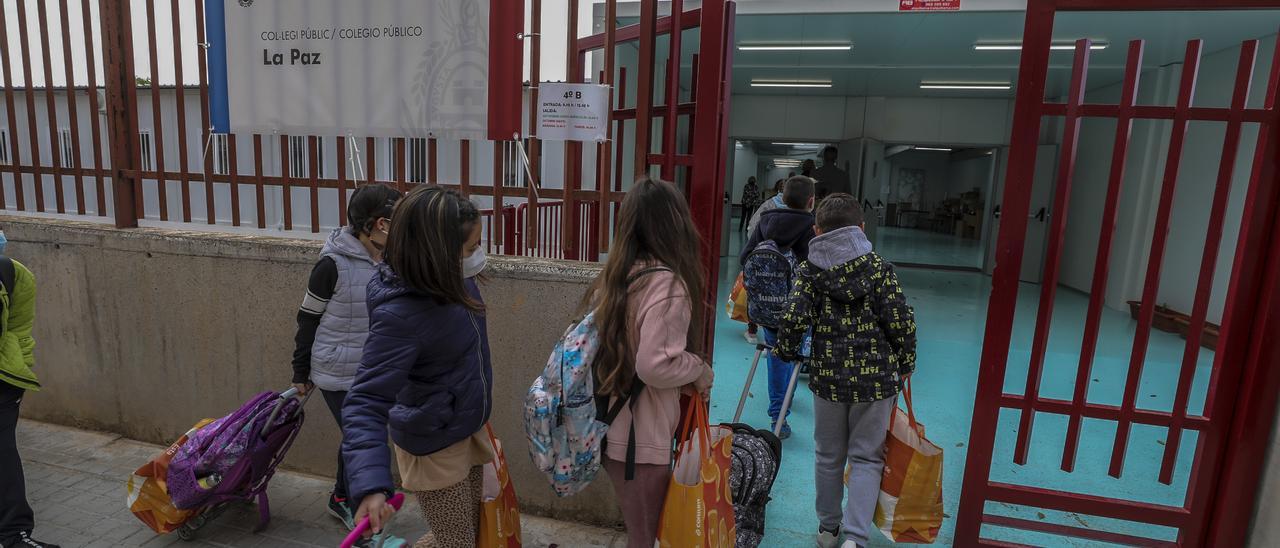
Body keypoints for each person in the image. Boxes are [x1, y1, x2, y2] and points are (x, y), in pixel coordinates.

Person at [343, 186, 495, 548]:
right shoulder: (402, 315)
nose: (477, 256)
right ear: (438, 251)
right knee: (458, 543)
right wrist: (370, 486)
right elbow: (365, 400)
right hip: (432, 444)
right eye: (471, 248)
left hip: (465, 426)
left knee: (465, 534)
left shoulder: (452, 280)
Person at [775, 194, 916, 548]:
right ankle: (856, 538)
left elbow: (793, 318)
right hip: (875, 381)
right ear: (862, 228)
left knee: (828, 455)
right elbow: (901, 321)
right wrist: (905, 361)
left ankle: (828, 530)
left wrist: (787, 350)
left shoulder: (810, 271)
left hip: (829, 380)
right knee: (867, 456)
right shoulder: (880, 269)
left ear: (817, 230)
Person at [583, 177, 715, 548]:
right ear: (676, 224)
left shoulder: (616, 275)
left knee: (639, 533)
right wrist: (699, 369)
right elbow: (655, 366)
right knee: (646, 536)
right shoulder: (667, 286)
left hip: (613, 427)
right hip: (641, 439)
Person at [289, 183, 401, 530]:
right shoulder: (331, 265)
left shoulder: (390, 260)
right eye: (397, 218)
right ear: (377, 223)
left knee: (358, 435)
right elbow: (308, 317)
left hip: (370, 370)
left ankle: (340, 495)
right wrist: (300, 371)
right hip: (336, 371)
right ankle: (358, 506)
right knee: (363, 436)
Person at [739, 176, 816, 438]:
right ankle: (783, 407)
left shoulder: (766, 221)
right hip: (798, 308)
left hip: (765, 309)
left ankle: (777, 416)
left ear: (781, 196)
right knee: (794, 357)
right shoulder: (811, 227)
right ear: (811, 201)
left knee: (776, 356)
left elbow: (744, 258)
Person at [0, 246, 59, 548]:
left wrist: (17, 371)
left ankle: (14, 535)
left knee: (4, 454)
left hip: (3, 382)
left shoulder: (12, 274)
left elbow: (19, 329)